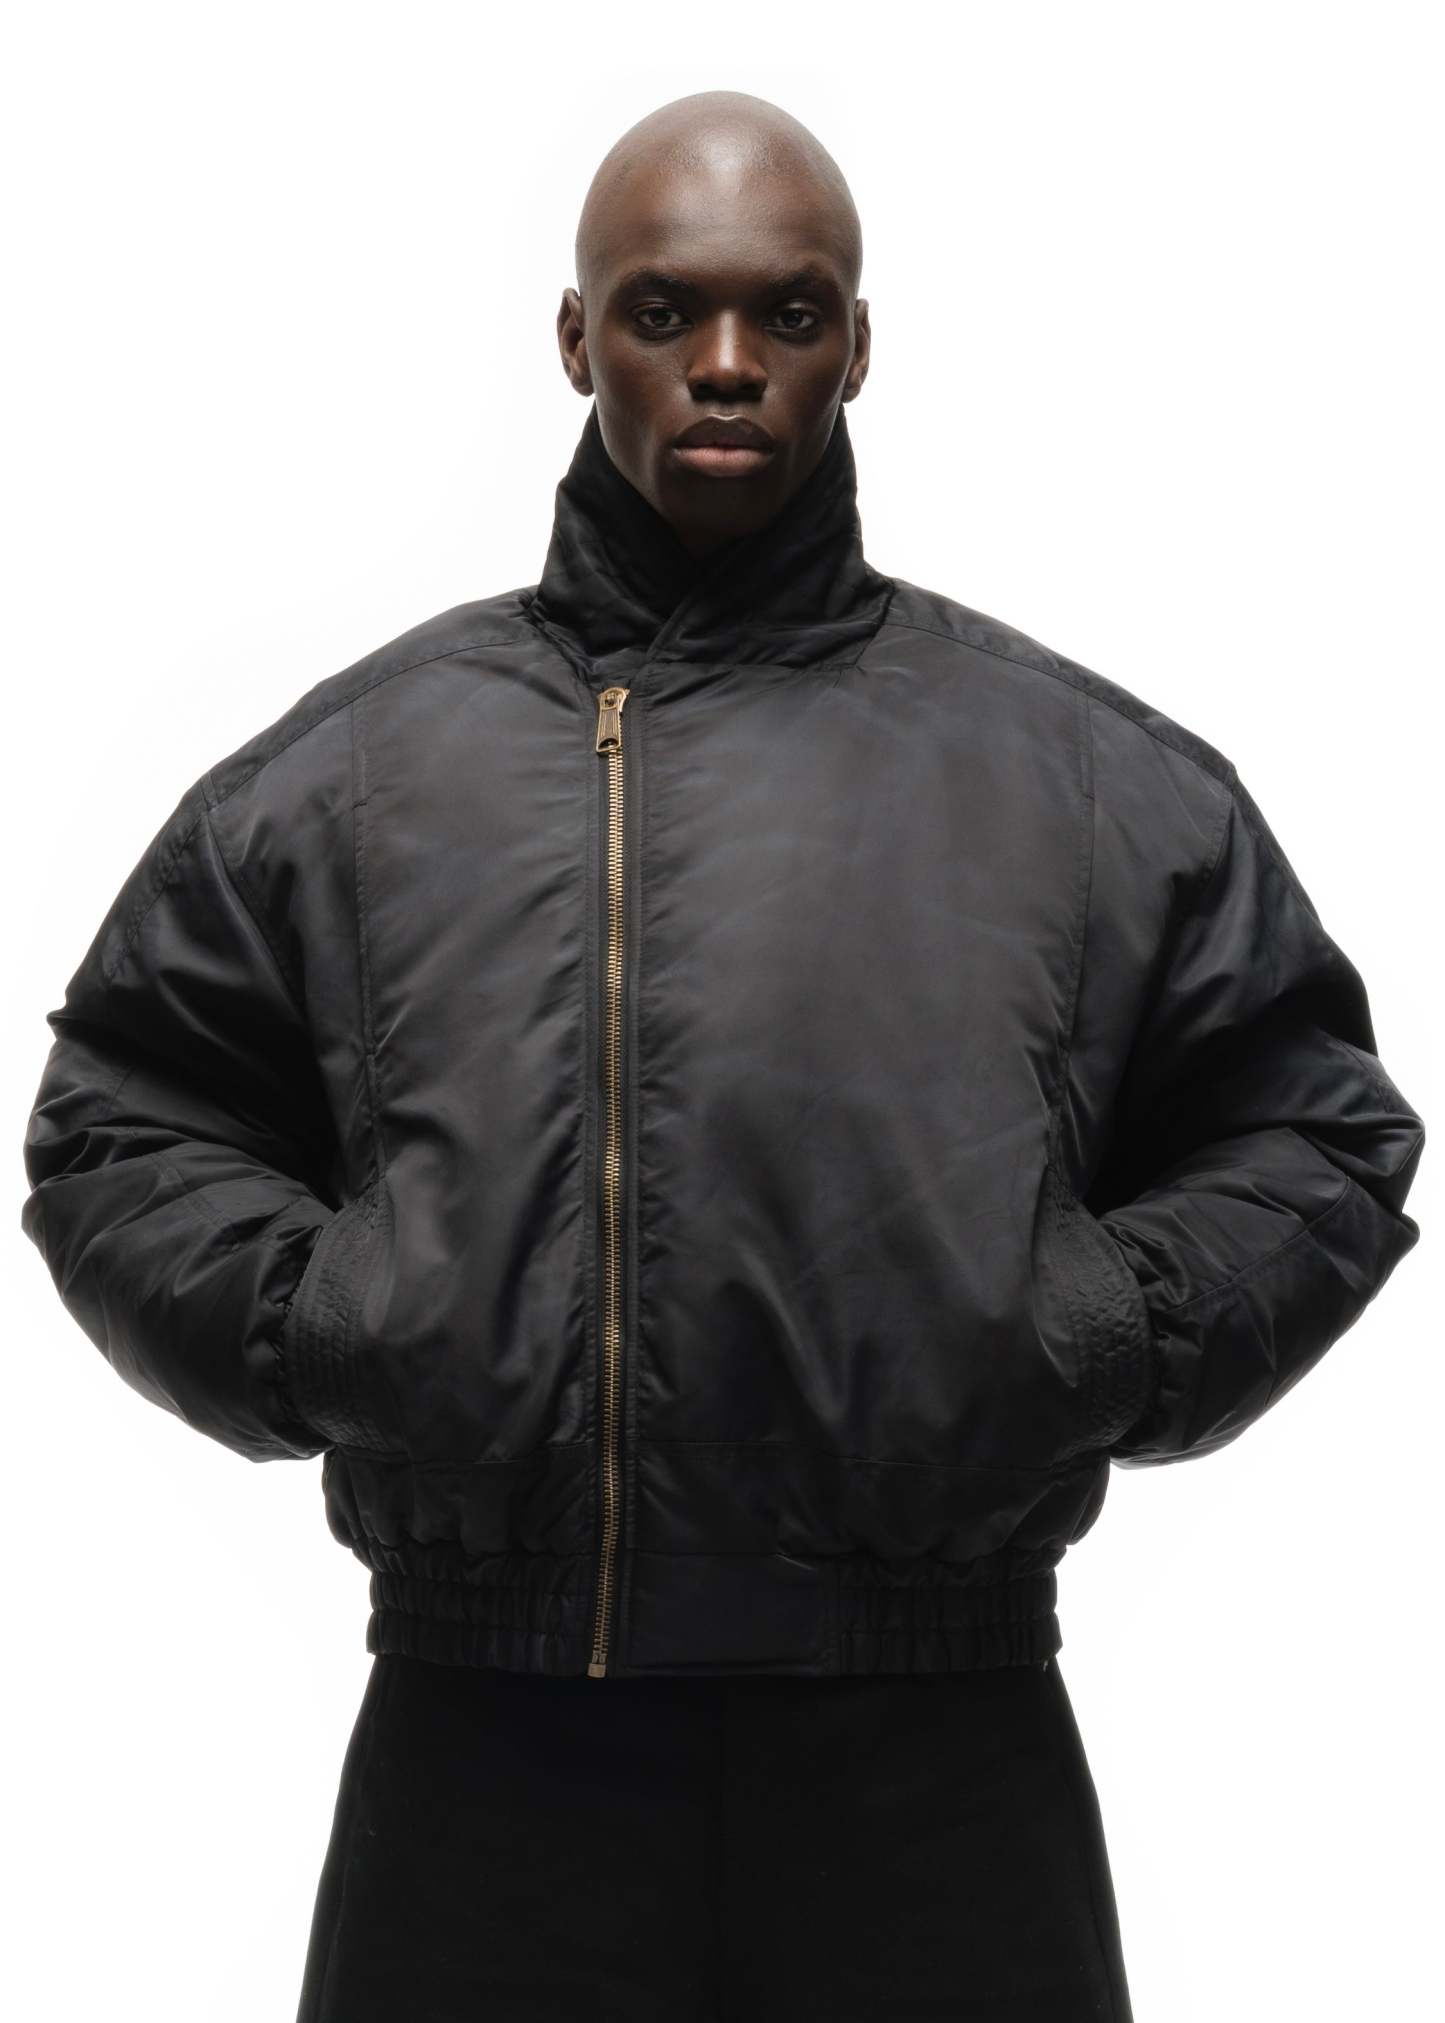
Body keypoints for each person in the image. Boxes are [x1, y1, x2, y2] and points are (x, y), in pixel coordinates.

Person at [19, 88, 1424, 2023]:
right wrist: (334, 1325)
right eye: (665, 311)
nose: (730, 363)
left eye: (791, 311)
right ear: (575, 336)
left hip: (938, 1757)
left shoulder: (1085, 781)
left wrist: (1090, 1330)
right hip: (486, 1757)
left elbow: (1314, 1139)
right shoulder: (359, 775)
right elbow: (121, 1124)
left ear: (862, 343)